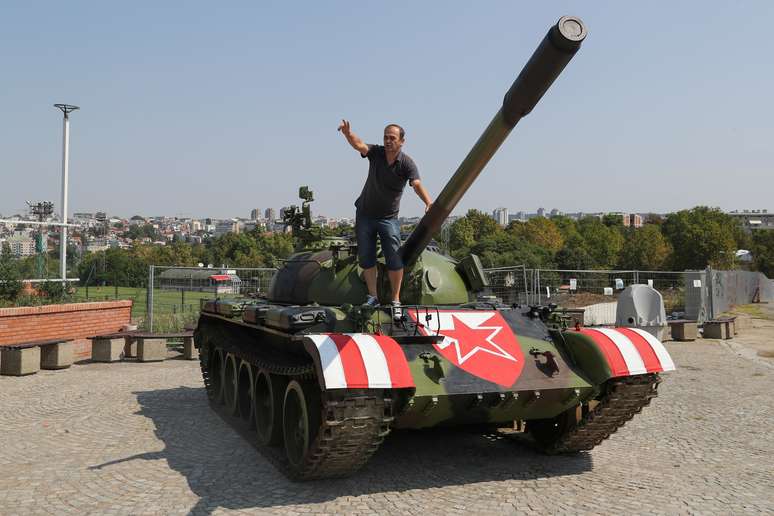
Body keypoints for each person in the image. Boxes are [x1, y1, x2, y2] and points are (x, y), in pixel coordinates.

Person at [338, 120, 433, 318]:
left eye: (392, 138)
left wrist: (428, 202)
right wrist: (348, 134)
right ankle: (373, 296)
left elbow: (416, 184)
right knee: (367, 257)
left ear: (402, 141)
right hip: (364, 214)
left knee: (394, 258)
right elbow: (360, 145)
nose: (388, 141)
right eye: (385, 137)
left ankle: (395, 299)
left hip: (388, 218)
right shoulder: (376, 153)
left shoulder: (407, 163)